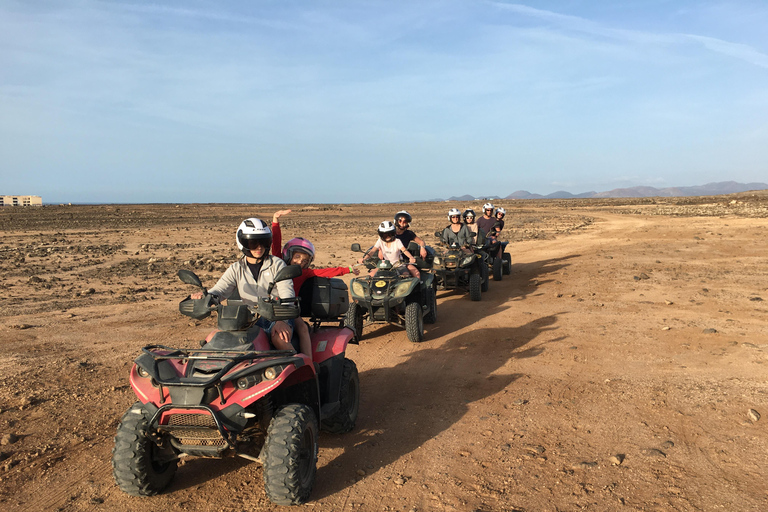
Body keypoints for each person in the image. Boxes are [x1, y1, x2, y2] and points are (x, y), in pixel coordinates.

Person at [191, 218, 296, 353]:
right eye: (253, 243)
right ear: (243, 243)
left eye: (263, 242)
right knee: (212, 338)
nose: (259, 247)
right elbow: (220, 289)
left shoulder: (277, 265)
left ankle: (299, 367)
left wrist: (281, 320)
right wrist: (205, 297)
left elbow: (287, 295)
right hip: (248, 319)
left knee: (280, 339)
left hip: (277, 316)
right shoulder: (236, 268)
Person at [270, 210, 360, 361]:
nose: (300, 262)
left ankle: (308, 362)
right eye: (297, 257)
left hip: (290, 309)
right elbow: (276, 243)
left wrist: (348, 269)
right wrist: (275, 221)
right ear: (288, 254)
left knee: (303, 329)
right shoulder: (278, 263)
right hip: (270, 306)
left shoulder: (305, 273)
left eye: (305, 260)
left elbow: (326, 272)